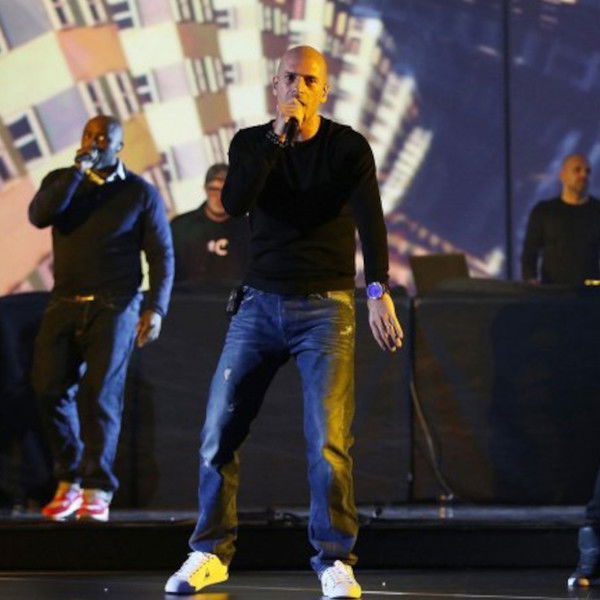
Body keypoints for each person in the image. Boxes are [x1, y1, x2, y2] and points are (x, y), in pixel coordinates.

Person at [165, 45, 403, 599]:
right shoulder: (252, 143)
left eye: (310, 80)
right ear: (276, 86)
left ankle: (334, 559)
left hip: (326, 308)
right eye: (290, 78)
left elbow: (371, 221)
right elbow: (237, 202)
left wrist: (376, 291)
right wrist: (277, 139)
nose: (299, 88)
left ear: (324, 91)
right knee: (218, 430)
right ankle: (210, 552)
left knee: (328, 443)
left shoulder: (347, 147)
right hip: (258, 304)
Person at [28, 115, 174, 522]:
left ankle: (97, 487)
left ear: (119, 147)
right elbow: (39, 216)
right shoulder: (63, 181)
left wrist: (156, 307)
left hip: (116, 304)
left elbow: (161, 254)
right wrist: (77, 173)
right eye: (88, 135)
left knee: (100, 395)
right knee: (47, 388)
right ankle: (70, 477)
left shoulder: (140, 192)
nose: (93, 142)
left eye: (103, 139)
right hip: (64, 301)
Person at [521, 153, 600, 285]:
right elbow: (530, 251)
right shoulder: (544, 211)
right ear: (562, 175)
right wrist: (530, 279)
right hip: (552, 291)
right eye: (577, 170)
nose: (584, 175)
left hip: (591, 291)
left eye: (587, 171)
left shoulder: (597, 210)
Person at [170, 163, 249, 286]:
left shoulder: (249, 228)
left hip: (239, 296)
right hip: (194, 296)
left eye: (226, 190)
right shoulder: (180, 228)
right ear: (205, 189)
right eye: (214, 189)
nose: (219, 196)